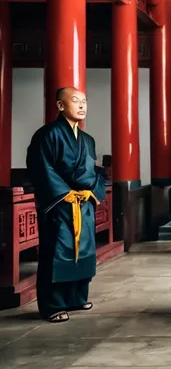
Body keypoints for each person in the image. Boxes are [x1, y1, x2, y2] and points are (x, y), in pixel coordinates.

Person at [26, 87, 108, 323]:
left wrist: (92, 191)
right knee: (57, 254)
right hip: (61, 205)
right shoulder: (47, 135)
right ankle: (52, 305)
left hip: (83, 205)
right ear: (61, 106)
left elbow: (95, 171)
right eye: (75, 101)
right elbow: (41, 169)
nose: (82, 105)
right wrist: (65, 194)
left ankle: (76, 297)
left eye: (84, 101)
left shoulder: (87, 140)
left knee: (83, 253)